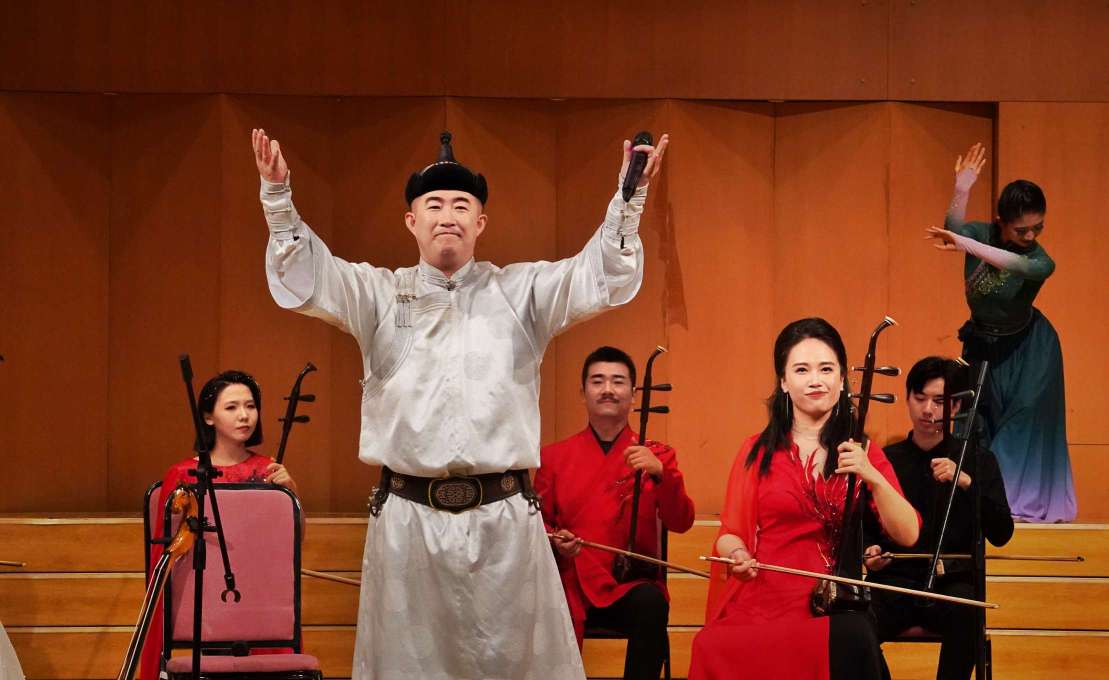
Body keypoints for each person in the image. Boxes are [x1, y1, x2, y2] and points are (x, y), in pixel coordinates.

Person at [253, 127, 668, 679]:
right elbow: (309, 277)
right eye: (434, 204)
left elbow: (597, 276)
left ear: (480, 223)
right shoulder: (379, 294)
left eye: (461, 205)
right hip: (408, 524)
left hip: (505, 525)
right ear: (411, 221)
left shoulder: (521, 293)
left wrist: (628, 199)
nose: (447, 215)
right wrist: (278, 198)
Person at [688, 318, 920, 680]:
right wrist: (737, 555)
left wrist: (871, 475)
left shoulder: (862, 450)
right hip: (763, 595)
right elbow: (729, 533)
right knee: (711, 643)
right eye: (801, 370)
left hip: (830, 601)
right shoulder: (756, 451)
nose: (816, 380)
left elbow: (908, 533)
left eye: (826, 369)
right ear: (783, 381)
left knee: (851, 635)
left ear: (841, 379)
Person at [925, 143, 1075, 522]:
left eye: (1038, 227)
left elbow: (1014, 263)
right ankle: (983, 504)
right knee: (976, 424)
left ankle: (1016, 508)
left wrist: (966, 244)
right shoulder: (981, 233)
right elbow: (952, 230)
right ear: (1000, 222)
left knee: (1021, 423)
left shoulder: (1040, 261)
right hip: (983, 343)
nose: (1031, 235)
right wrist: (962, 189)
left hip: (1031, 348)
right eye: (1022, 229)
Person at [535, 346, 695, 680]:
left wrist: (662, 474)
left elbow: (681, 521)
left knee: (651, 603)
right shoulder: (553, 457)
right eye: (597, 381)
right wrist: (556, 539)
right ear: (583, 393)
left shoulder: (658, 455)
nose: (607, 389)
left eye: (618, 381)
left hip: (628, 581)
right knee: (536, 604)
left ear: (634, 395)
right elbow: (538, 526)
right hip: (572, 583)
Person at [139, 370, 298, 680]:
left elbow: (293, 543)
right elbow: (165, 558)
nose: (244, 415)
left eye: (250, 406)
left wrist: (289, 493)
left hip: (258, 596)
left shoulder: (269, 470)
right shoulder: (183, 474)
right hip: (203, 600)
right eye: (232, 407)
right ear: (208, 417)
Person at [863, 356, 1013, 680]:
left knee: (969, 611)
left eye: (939, 402)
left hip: (952, 584)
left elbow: (1002, 532)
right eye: (919, 398)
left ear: (956, 406)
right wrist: (870, 550)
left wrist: (966, 482)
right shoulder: (885, 461)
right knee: (854, 623)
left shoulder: (977, 459)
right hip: (895, 582)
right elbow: (865, 526)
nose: (928, 410)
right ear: (907, 399)